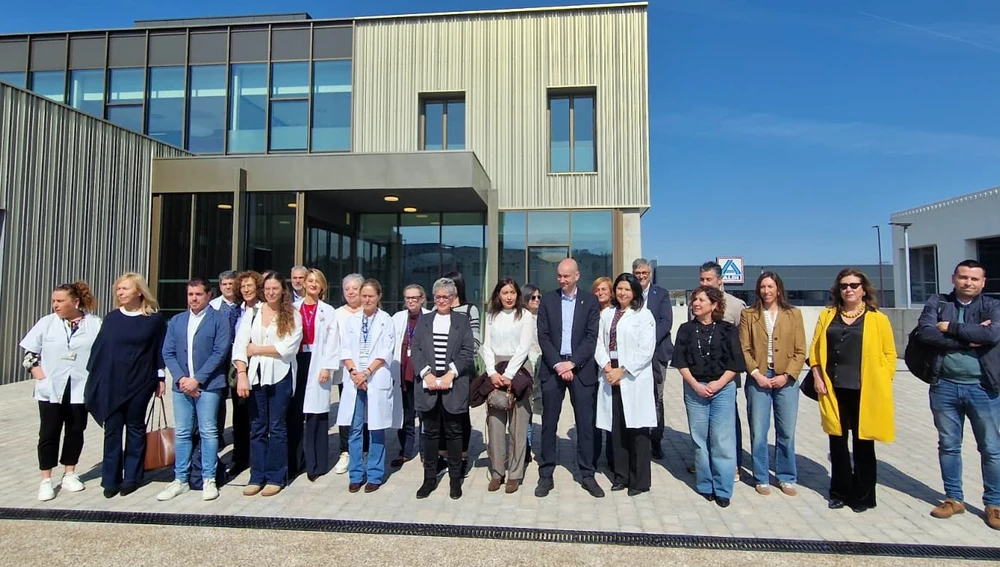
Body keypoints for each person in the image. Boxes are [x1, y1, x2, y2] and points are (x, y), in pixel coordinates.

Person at [913, 260, 1000, 529]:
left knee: (992, 448)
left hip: (983, 387)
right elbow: (925, 333)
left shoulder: (993, 305)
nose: (968, 283)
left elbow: (993, 333)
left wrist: (948, 327)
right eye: (963, 277)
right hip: (944, 386)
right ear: (954, 278)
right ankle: (953, 499)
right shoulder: (938, 302)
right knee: (949, 445)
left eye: (974, 279)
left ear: (983, 282)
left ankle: (994, 503)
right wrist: (969, 339)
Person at [809, 268, 896, 513]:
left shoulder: (877, 318)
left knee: (863, 443)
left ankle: (864, 495)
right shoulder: (827, 315)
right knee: (837, 441)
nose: (849, 289)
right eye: (844, 285)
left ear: (864, 289)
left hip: (865, 389)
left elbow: (890, 354)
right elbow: (815, 350)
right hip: (833, 388)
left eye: (854, 285)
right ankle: (839, 491)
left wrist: (883, 377)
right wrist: (817, 375)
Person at [85, 273, 167, 499]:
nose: (120, 293)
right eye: (118, 289)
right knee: (112, 430)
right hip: (113, 383)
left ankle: (132, 476)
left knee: (135, 429)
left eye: (125, 288)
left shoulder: (154, 320)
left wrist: (160, 378)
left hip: (141, 382)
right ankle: (110, 479)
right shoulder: (111, 318)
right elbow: (100, 352)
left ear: (139, 291)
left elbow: (158, 350)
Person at [20, 281, 101, 501]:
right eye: (54, 301)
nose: (55, 305)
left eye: (60, 301)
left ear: (75, 302)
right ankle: (46, 479)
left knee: (75, 430)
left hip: (79, 387)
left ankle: (70, 473)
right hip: (51, 388)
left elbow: (101, 354)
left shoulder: (94, 324)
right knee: (48, 433)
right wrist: (41, 378)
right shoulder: (46, 323)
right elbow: (29, 355)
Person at [157, 278, 232, 502]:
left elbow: (220, 353)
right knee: (182, 432)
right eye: (190, 294)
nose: (194, 299)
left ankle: (208, 477)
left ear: (209, 295)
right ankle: (180, 479)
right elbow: (168, 352)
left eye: (198, 294)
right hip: (182, 387)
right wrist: (181, 378)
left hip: (208, 386)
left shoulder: (219, 320)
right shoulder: (177, 321)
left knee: (209, 431)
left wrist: (197, 380)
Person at [535, 258, 603, 499]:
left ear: (577, 276)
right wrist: (558, 364)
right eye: (559, 276)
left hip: (581, 370)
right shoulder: (548, 300)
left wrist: (572, 363)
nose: (562, 280)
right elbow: (543, 336)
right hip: (554, 368)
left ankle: (586, 473)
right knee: (549, 424)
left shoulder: (590, 301)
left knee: (586, 424)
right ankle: (546, 473)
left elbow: (591, 337)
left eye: (566, 276)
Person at [672, 285, 746, 508]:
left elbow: (736, 362)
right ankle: (705, 484)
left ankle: (723, 488)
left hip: (722, 388)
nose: (695, 303)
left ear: (714, 305)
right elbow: (680, 361)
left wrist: (718, 384)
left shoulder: (727, 329)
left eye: (701, 300)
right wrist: (696, 385)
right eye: (694, 299)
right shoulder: (685, 329)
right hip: (695, 388)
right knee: (699, 438)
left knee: (722, 439)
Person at [233, 272, 303, 497]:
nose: (271, 292)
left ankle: (276, 476)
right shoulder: (252, 313)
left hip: (280, 376)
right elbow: (240, 345)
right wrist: (242, 374)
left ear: (283, 290)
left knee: (277, 427)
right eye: (267, 288)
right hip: (255, 376)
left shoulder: (292, 314)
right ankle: (257, 476)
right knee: (258, 427)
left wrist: (257, 349)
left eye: (275, 288)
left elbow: (288, 348)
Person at [739, 272, 806, 496]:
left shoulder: (793, 314)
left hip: (786, 379)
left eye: (770, 286)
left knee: (786, 431)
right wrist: (756, 374)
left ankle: (786, 476)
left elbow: (800, 350)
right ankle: (761, 476)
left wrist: (787, 375)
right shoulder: (749, 314)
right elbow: (744, 348)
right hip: (759, 377)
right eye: (762, 287)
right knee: (759, 430)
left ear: (778, 288)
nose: (766, 291)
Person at [412, 278, 476, 500]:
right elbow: (416, 349)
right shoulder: (425, 320)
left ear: (453, 297)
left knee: (454, 433)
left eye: (446, 297)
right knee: (429, 433)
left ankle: (455, 480)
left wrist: (451, 373)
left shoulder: (461, 320)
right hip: (428, 385)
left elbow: (468, 351)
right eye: (438, 296)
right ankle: (429, 479)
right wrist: (426, 374)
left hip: (453, 384)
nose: (441, 300)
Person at [595, 273, 657, 496]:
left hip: (633, 378)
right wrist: (607, 367)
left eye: (627, 289)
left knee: (637, 430)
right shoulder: (608, 314)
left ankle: (639, 481)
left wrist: (623, 370)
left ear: (635, 292)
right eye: (619, 288)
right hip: (610, 375)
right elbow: (599, 343)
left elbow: (646, 350)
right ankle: (620, 476)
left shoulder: (644, 315)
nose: (622, 293)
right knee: (617, 429)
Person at [336, 279, 400, 493]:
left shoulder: (386, 320)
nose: (367, 299)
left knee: (376, 428)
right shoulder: (351, 321)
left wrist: (366, 373)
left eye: (371, 296)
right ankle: (356, 474)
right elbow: (344, 350)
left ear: (379, 296)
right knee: (354, 429)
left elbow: (385, 351)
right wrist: (355, 373)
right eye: (364, 296)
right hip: (355, 380)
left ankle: (374, 474)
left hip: (374, 377)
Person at [480, 278, 534, 493]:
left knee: (518, 425)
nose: (509, 296)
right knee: (495, 422)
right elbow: (486, 346)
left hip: (519, 368)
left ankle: (515, 473)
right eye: (505, 292)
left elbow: (524, 347)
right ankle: (497, 471)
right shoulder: (491, 315)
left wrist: (509, 374)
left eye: (512, 292)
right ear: (498, 295)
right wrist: (492, 373)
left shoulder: (526, 316)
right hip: (496, 368)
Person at [696, 261, 747, 478]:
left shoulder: (735, 306)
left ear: (720, 280)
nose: (704, 283)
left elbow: (743, 343)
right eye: (702, 279)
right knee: (704, 422)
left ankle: (733, 463)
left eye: (709, 279)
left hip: (725, 377)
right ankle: (705, 463)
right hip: (701, 376)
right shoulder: (697, 302)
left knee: (727, 423)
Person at [300, 269, 341, 482]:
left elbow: (333, 342)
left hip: (318, 362)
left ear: (323, 286)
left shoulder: (328, 311)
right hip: (297, 361)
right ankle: (299, 460)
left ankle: (318, 464)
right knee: (297, 414)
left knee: (317, 415)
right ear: (304, 284)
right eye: (310, 280)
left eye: (317, 281)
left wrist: (327, 367)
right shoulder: (293, 308)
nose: (313, 284)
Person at [633, 258, 673, 460]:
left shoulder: (662, 294)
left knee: (656, 398)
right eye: (638, 273)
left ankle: (656, 441)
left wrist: (648, 342)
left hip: (657, 352)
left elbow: (666, 322)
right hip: (634, 355)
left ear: (650, 274)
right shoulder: (629, 294)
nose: (641, 276)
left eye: (644, 273)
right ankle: (639, 440)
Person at [442, 270, 479, 477]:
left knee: (460, 415)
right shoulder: (438, 308)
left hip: (461, 371)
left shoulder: (469, 309)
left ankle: (462, 456)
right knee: (440, 415)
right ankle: (443, 455)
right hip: (439, 371)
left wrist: (455, 365)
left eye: (451, 284)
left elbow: (474, 341)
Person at [227, 270, 263, 477]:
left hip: (258, 364)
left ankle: (259, 460)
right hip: (237, 367)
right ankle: (240, 458)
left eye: (250, 286)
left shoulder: (263, 310)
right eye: (243, 286)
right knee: (239, 416)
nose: (247, 290)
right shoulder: (236, 311)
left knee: (256, 416)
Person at [390, 284, 430, 469]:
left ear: (422, 299)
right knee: (405, 414)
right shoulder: (398, 318)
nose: (411, 301)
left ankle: (425, 451)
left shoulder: (430, 316)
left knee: (424, 414)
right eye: (408, 298)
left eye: (414, 298)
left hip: (423, 374)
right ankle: (405, 451)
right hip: (403, 373)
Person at [333, 274, 368, 474]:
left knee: (366, 413)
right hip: (347, 372)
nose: (351, 292)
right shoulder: (337, 314)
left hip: (367, 372)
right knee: (346, 412)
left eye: (355, 288)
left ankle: (364, 450)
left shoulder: (370, 312)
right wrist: (351, 369)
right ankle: (345, 451)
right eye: (347, 289)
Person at [209, 269, 239, 450]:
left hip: (237, 357)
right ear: (220, 287)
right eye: (225, 284)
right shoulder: (213, 306)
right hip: (219, 357)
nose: (228, 287)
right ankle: (217, 434)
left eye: (231, 284)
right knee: (218, 397)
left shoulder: (242, 304)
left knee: (239, 398)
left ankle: (240, 432)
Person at [521, 283, 542, 463]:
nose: (536, 300)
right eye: (532, 297)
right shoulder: (521, 318)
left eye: (538, 297)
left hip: (542, 365)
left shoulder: (542, 316)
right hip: (525, 365)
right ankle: (526, 447)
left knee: (541, 407)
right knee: (525, 409)